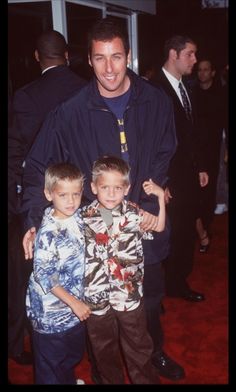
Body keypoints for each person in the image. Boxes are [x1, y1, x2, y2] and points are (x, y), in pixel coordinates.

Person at [22, 17, 184, 381]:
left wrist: (155, 188)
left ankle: (153, 355)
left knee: (149, 303)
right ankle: (102, 373)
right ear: (88, 60)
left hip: (142, 228)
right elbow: (35, 167)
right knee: (101, 321)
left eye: (116, 56)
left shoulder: (155, 100)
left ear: (129, 55)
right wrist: (34, 220)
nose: (109, 68)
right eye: (99, 58)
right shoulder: (69, 112)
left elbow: (165, 149)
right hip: (93, 237)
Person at [8, 29, 87, 366]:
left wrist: (22, 210)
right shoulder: (85, 89)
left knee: (22, 275)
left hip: (36, 198)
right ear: (67, 55)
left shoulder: (25, 96)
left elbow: (15, 155)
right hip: (78, 196)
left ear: (38, 57)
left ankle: (16, 345)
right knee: (78, 266)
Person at [81, 155, 165, 384]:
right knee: (103, 351)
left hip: (129, 294)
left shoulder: (135, 213)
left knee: (138, 346)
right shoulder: (81, 218)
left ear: (127, 188)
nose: (110, 193)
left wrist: (159, 197)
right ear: (93, 187)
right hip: (95, 297)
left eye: (117, 187)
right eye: (104, 187)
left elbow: (158, 226)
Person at [26, 162, 91, 384]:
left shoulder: (79, 216)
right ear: (48, 194)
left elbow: (105, 214)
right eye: (63, 195)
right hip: (50, 315)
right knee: (50, 368)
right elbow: (46, 276)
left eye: (76, 194)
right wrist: (74, 303)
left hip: (73, 311)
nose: (71, 201)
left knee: (71, 356)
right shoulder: (47, 233)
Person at [155, 35, 208, 300]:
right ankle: (165, 288)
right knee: (168, 236)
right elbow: (151, 139)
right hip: (168, 180)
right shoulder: (154, 88)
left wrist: (199, 166)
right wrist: (160, 182)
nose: (195, 60)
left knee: (185, 232)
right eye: (190, 54)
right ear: (173, 54)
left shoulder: (186, 86)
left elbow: (190, 133)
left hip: (187, 176)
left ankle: (177, 284)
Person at [193, 59, 225, 252]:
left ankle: (206, 224)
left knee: (210, 186)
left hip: (214, 147)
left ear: (213, 72)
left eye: (206, 70)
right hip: (196, 148)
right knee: (196, 188)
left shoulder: (220, 94)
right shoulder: (193, 93)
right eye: (200, 70)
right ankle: (199, 226)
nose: (202, 73)